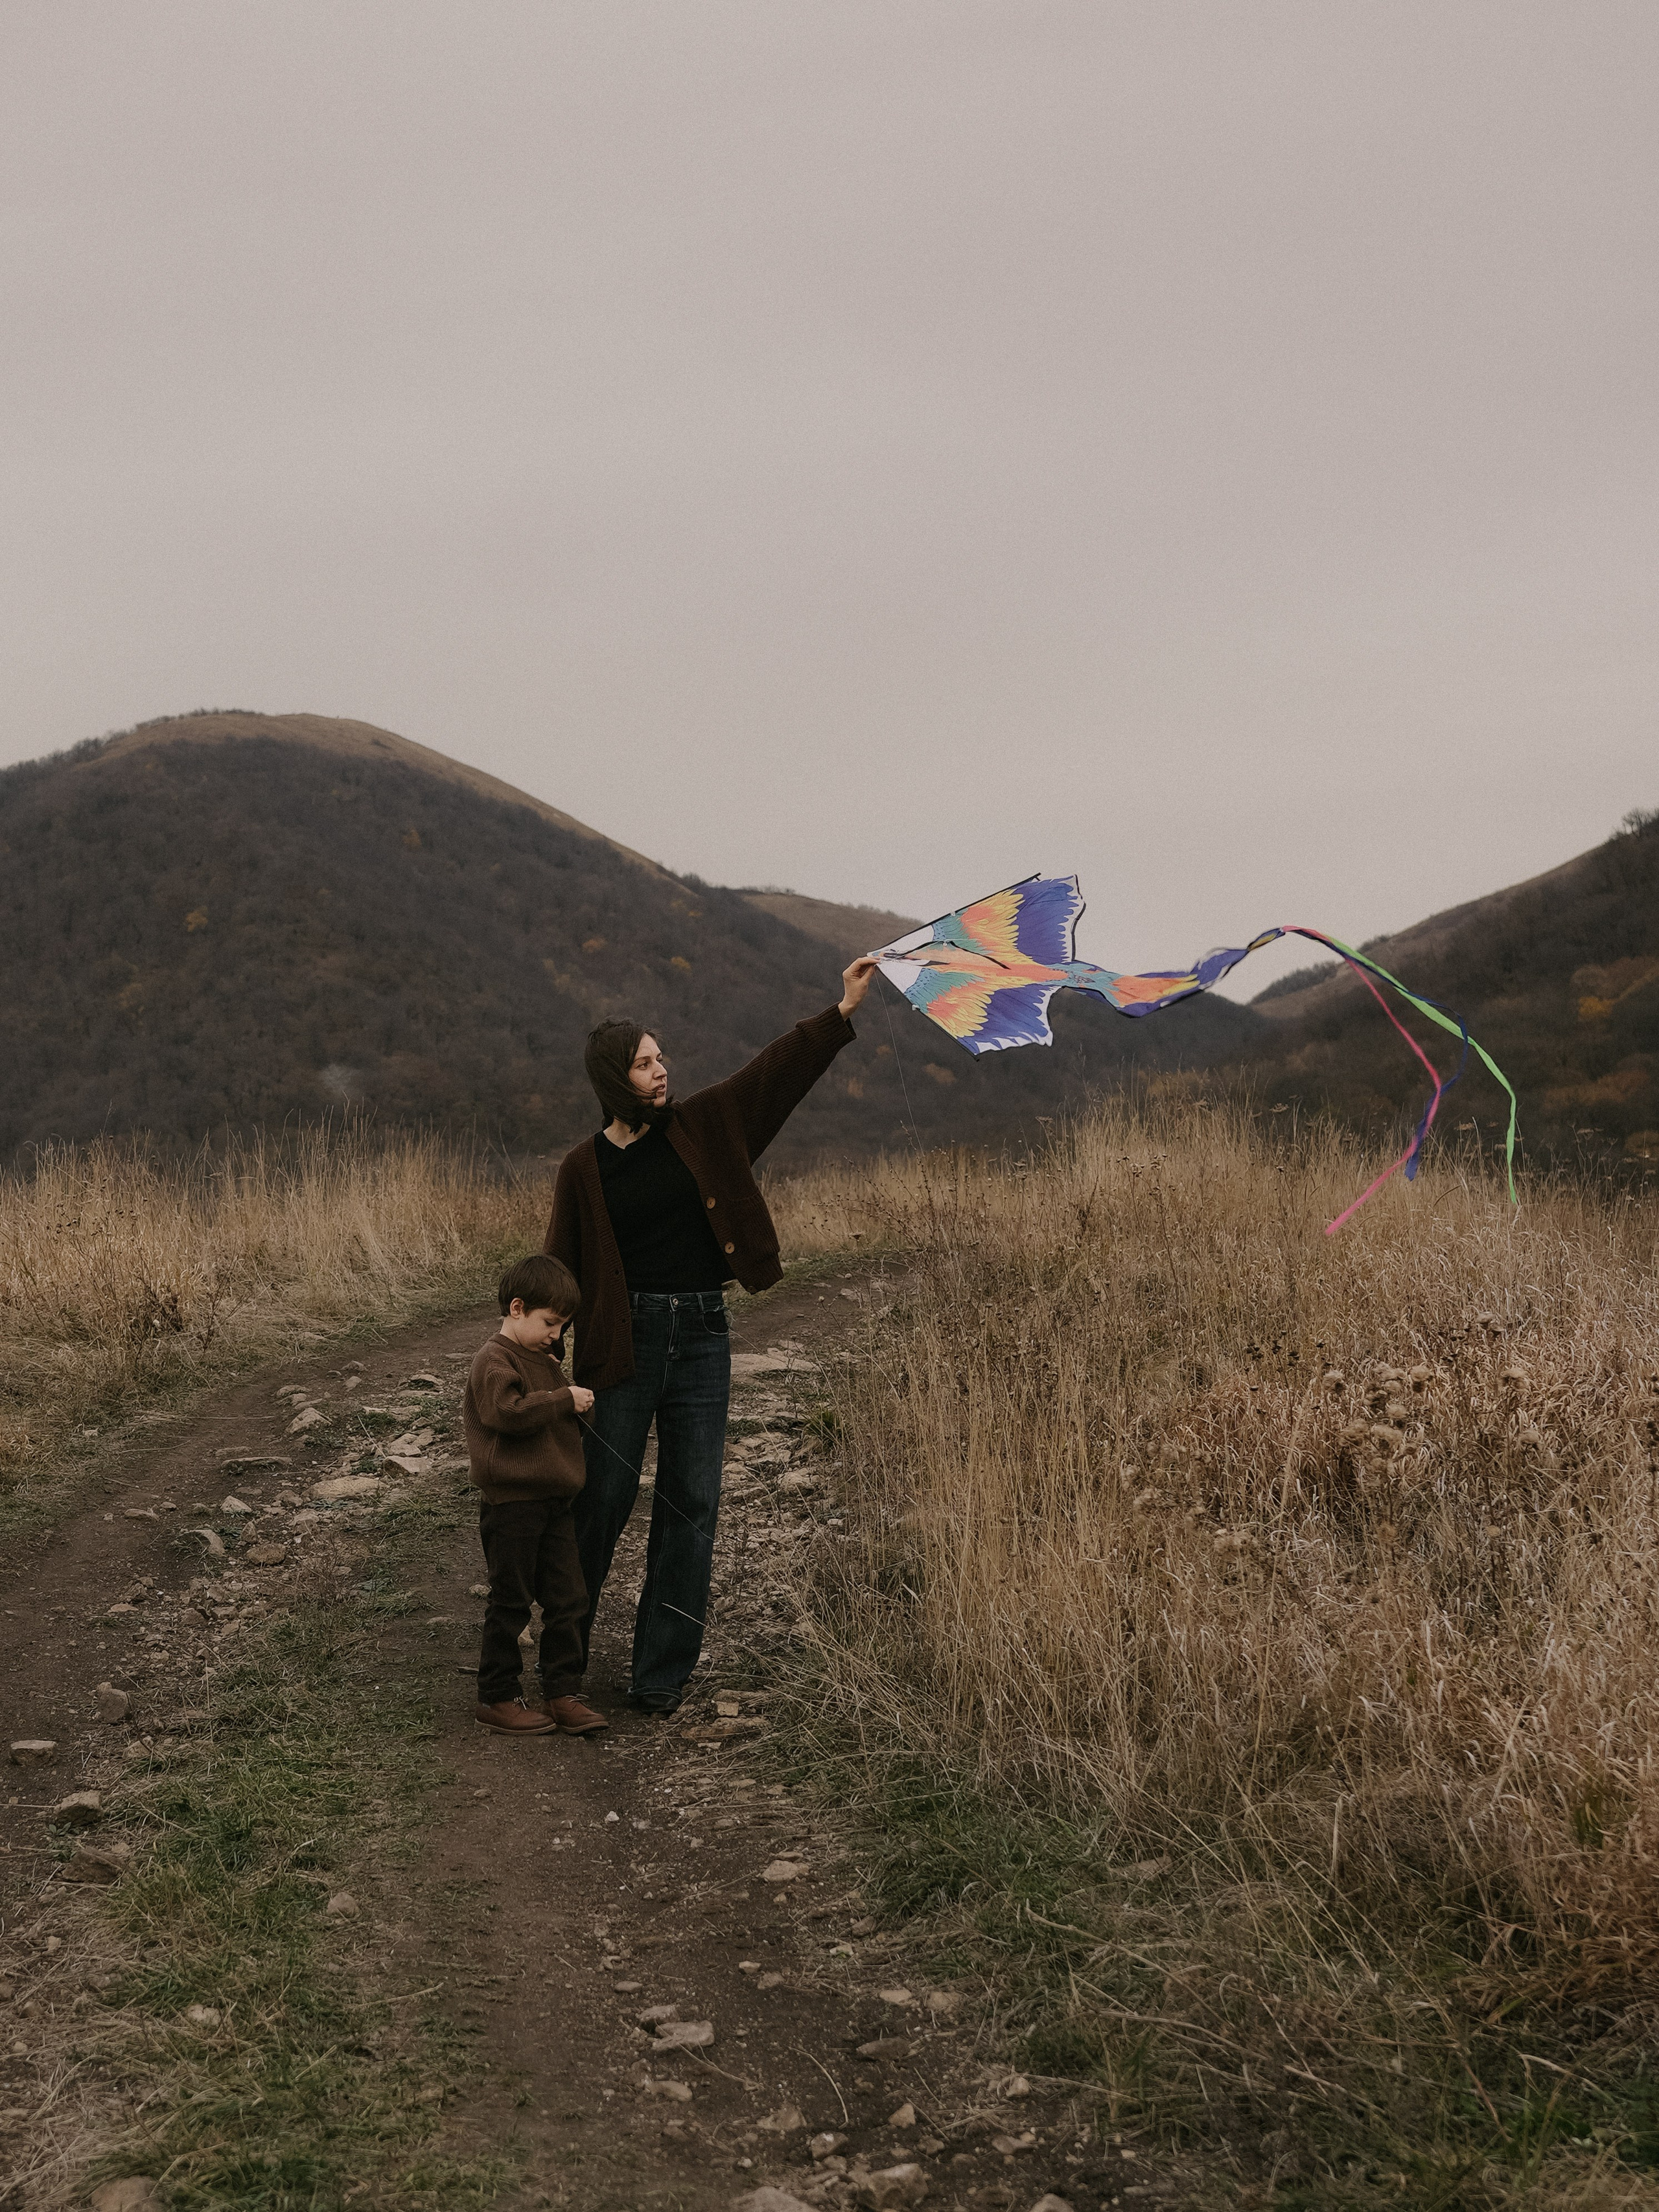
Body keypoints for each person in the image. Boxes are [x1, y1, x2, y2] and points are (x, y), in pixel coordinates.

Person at [546, 956, 879, 1714]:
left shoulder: (704, 1126)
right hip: (622, 1345)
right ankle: (562, 1665)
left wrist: (843, 1009)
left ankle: (658, 1676)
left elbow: (774, 1074)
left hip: (701, 1334)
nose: (661, 1072)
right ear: (612, 1077)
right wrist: (545, 1371)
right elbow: (558, 1278)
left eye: (662, 1058)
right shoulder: (582, 1170)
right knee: (600, 1501)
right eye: (643, 1063)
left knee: (691, 1503)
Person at [463, 1252, 609, 1737]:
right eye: (551, 1323)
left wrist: (575, 1405)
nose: (557, 1335)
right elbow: (508, 1413)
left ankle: (561, 1691)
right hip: (512, 1506)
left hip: (555, 1502)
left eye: (564, 1326)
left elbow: (559, 1420)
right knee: (511, 1600)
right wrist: (563, 1398)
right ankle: (498, 1696)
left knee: (569, 1598)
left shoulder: (545, 1360)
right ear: (518, 1308)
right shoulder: (495, 1359)